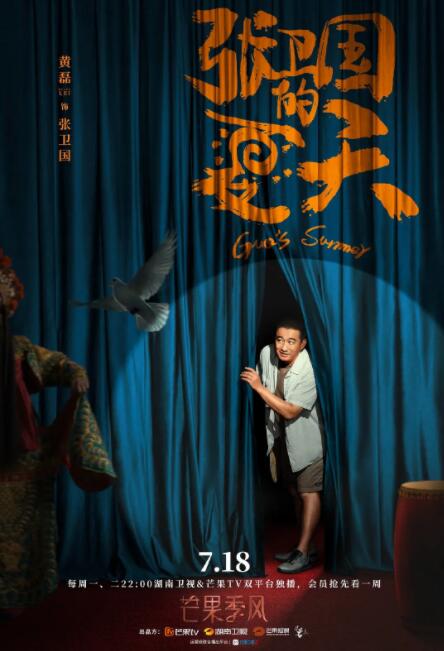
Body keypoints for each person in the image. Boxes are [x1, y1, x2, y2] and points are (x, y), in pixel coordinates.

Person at [0, 249, 116, 613]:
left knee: (22, 531)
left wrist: (76, 374)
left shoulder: (19, 349)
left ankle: (17, 595)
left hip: (20, 450)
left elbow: (60, 365)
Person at [240, 318, 324, 573]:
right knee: (294, 493)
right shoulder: (267, 354)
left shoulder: (310, 369)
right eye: (279, 339)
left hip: (307, 442)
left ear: (302, 344)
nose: (284, 347)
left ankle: (303, 552)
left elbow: (290, 411)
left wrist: (259, 388)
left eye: (291, 341)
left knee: (308, 492)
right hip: (279, 440)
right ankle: (306, 547)